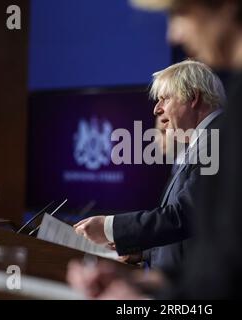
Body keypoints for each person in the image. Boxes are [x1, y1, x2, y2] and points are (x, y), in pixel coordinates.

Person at [68, 0, 242, 299]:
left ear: (226, 7)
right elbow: (219, 247)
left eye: (181, 14)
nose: (173, 35)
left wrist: (146, 303)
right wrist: (148, 284)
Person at [73, 60, 225, 272]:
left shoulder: (218, 140)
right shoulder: (204, 141)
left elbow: (184, 216)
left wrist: (109, 227)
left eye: (164, 99)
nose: (156, 109)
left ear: (193, 97)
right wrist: (145, 252)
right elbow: (189, 233)